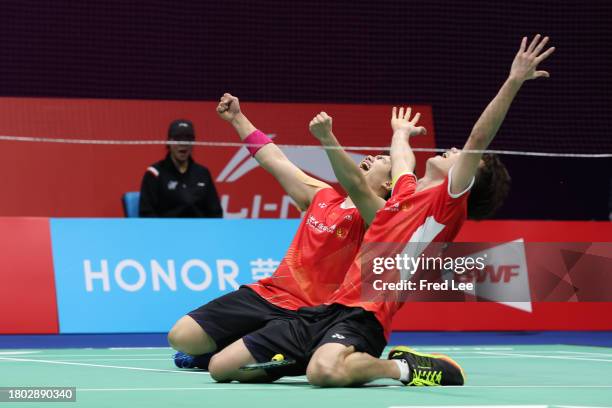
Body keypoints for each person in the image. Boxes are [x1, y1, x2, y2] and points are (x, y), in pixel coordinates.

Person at [207, 34, 551, 387]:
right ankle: (307, 356)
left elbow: (478, 139)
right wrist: (400, 133)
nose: (454, 150)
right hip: (329, 307)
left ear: (468, 181)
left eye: (462, 159)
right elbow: (400, 162)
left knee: (323, 373)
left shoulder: (447, 206)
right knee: (221, 367)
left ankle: (404, 368)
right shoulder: (406, 192)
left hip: (367, 313)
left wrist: (512, 81)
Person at [167, 94, 394, 371]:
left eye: (383, 159)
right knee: (180, 336)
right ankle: (241, 347)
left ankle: (293, 355)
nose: (371, 157)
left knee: (221, 368)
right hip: (269, 294)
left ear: (388, 183)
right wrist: (238, 118)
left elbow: (357, 184)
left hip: (308, 314)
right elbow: (275, 160)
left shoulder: (379, 216)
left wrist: (327, 139)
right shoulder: (322, 196)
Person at [139, 119, 223, 218]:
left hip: (199, 231)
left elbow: (216, 213)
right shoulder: (154, 173)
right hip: (165, 231)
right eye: (178, 138)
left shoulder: (203, 173)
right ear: (169, 142)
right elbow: (146, 214)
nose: (183, 143)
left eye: (188, 139)